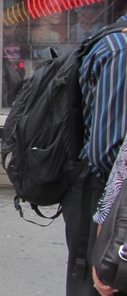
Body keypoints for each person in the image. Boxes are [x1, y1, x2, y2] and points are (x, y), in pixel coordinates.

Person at [61, 15, 127, 295]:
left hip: (104, 190)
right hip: (102, 190)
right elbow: (107, 150)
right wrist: (108, 215)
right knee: (99, 281)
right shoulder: (120, 50)